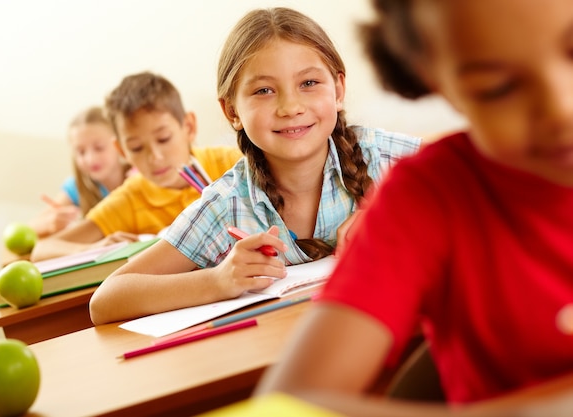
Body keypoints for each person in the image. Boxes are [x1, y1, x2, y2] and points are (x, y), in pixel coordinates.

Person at [254, 0, 573, 415]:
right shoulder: (432, 198)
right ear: (436, 83)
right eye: (496, 88)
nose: (561, 110)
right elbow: (288, 406)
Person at [88, 7, 421, 326]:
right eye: (264, 90)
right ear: (232, 112)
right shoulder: (228, 204)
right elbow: (106, 300)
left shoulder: (384, 158)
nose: (290, 107)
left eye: (308, 83)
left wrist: (396, 220)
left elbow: (474, 182)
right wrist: (217, 281)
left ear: (338, 89)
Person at [30, 72, 242, 261]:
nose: (155, 157)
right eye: (136, 147)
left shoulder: (230, 163)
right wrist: (95, 248)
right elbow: (43, 248)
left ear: (188, 127)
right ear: (122, 151)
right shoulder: (129, 199)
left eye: (163, 139)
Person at [28, 106, 132, 238]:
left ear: (117, 144)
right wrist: (51, 222)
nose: (90, 159)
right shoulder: (77, 187)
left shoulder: (138, 177)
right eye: (81, 152)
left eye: (99, 148)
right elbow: (31, 227)